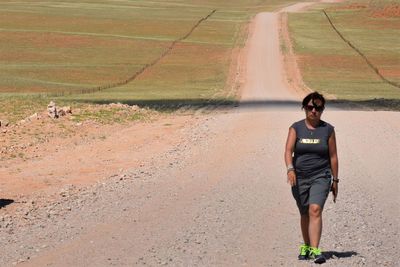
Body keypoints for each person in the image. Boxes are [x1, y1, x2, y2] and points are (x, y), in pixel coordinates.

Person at [284, 92, 339, 264]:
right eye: (310, 107)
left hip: (321, 175)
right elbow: (287, 151)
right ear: (305, 108)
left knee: (315, 209)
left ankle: (316, 250)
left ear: (322, 109)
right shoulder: (296, 128)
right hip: (299, 177)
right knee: (304, 212)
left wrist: (335, 180)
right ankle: (306, 246)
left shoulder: (328, 130)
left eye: (318, 108)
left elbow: (333, 156)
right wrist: (290, 169)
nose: (314, 111)